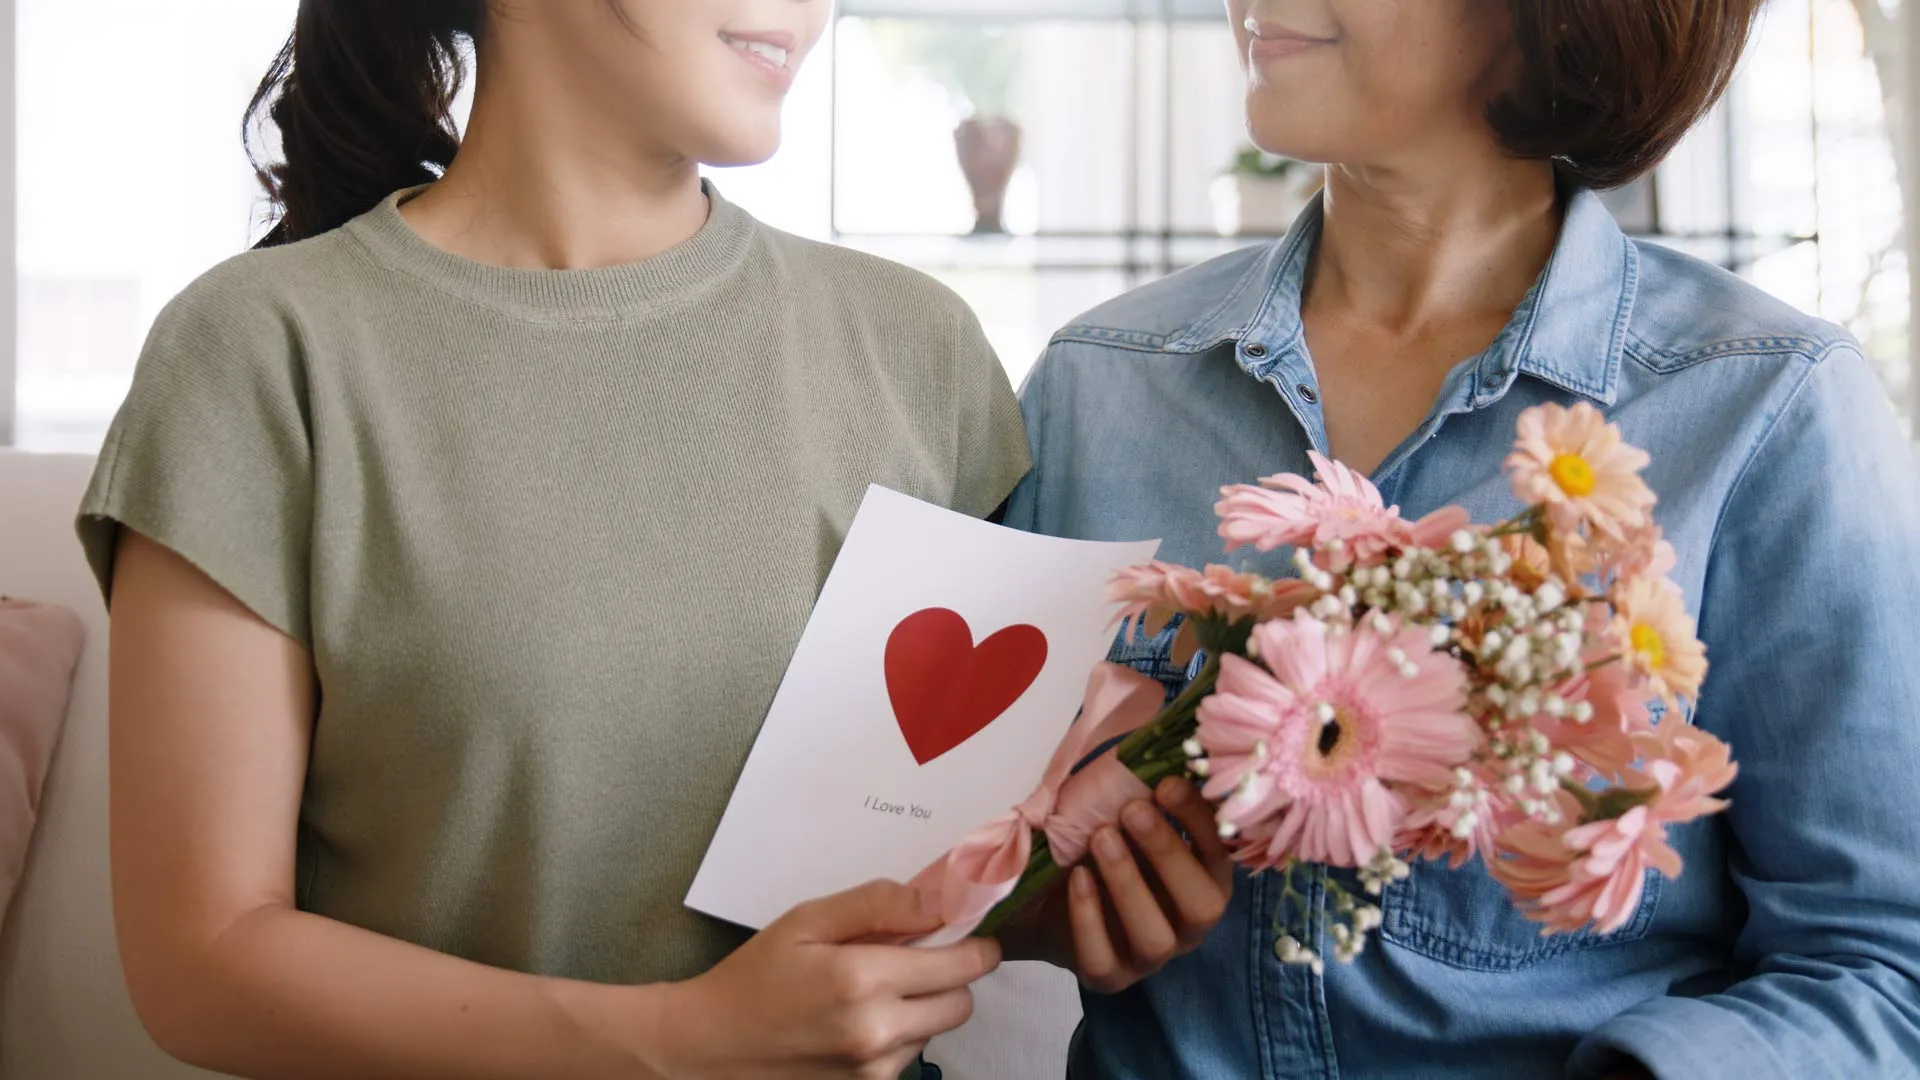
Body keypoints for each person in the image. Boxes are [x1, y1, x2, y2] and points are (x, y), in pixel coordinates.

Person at [75, 2, 1229, 1076]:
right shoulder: (260, 353)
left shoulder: (914, 348)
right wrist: (676, 1041)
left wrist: (1066, 911)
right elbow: (202, 957)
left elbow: (923, 859)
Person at [1005, 1, 1920, 1077]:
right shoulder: (1097, 384)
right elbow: (956, 858)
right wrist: (1036, 916)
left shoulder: (1766, 409)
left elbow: (1883, 965)